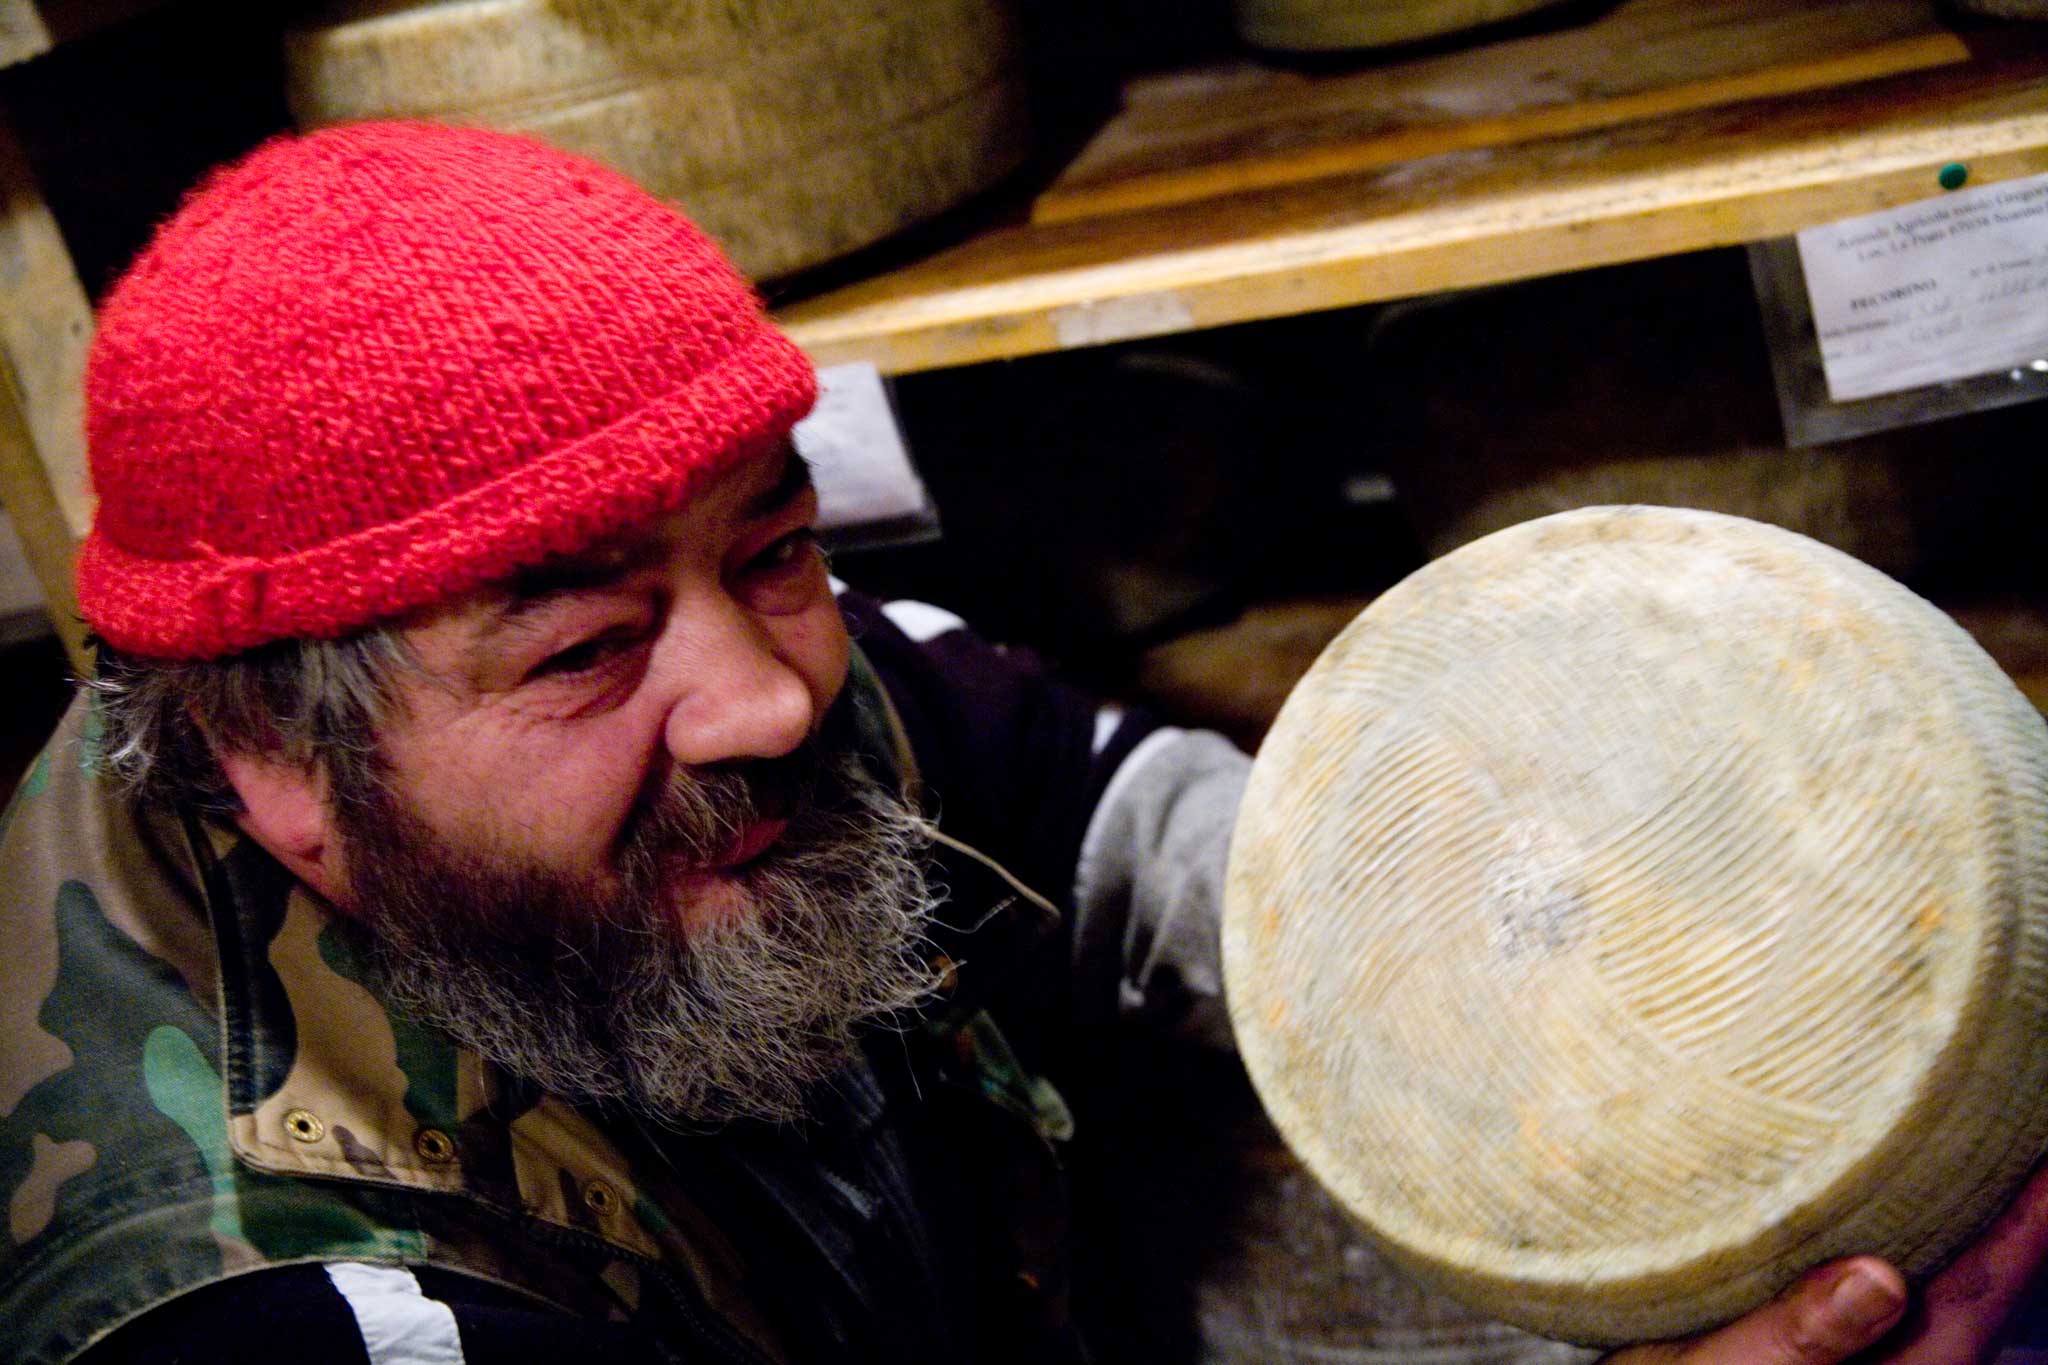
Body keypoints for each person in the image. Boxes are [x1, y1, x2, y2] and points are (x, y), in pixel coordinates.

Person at [0, 120, 2041, 1365]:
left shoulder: (733, 681)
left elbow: (1130, 820)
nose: (773, 692)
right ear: (279, 758)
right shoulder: (267, 1305)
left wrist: (1623, 952)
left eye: (776, 546)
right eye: (583, 649)